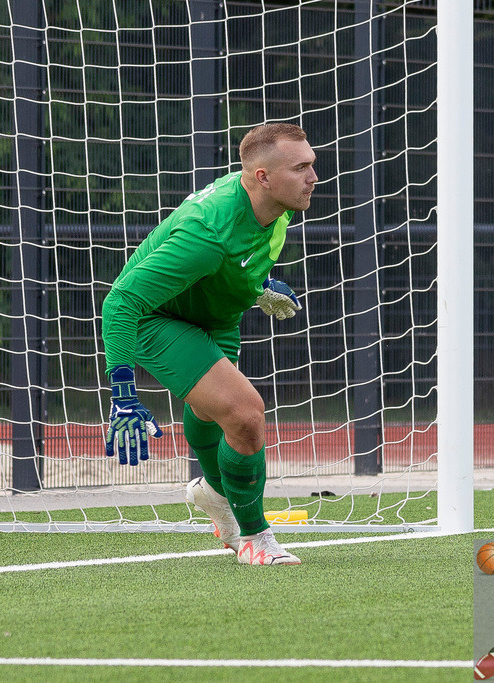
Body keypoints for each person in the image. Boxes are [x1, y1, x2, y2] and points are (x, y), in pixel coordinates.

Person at [101, 122, 317, 566]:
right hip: (156, 319)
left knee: (215, 412)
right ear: (262, 177)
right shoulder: (208, 232)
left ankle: (214, 495)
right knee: (246, 413)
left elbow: (242, 256)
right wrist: (123, 394)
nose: (313, 176)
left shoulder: (279, 206)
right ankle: (255, 537)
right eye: (301, 168)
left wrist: (257, 286)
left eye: (311, 164)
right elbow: (122, 300)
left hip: (216, 316)